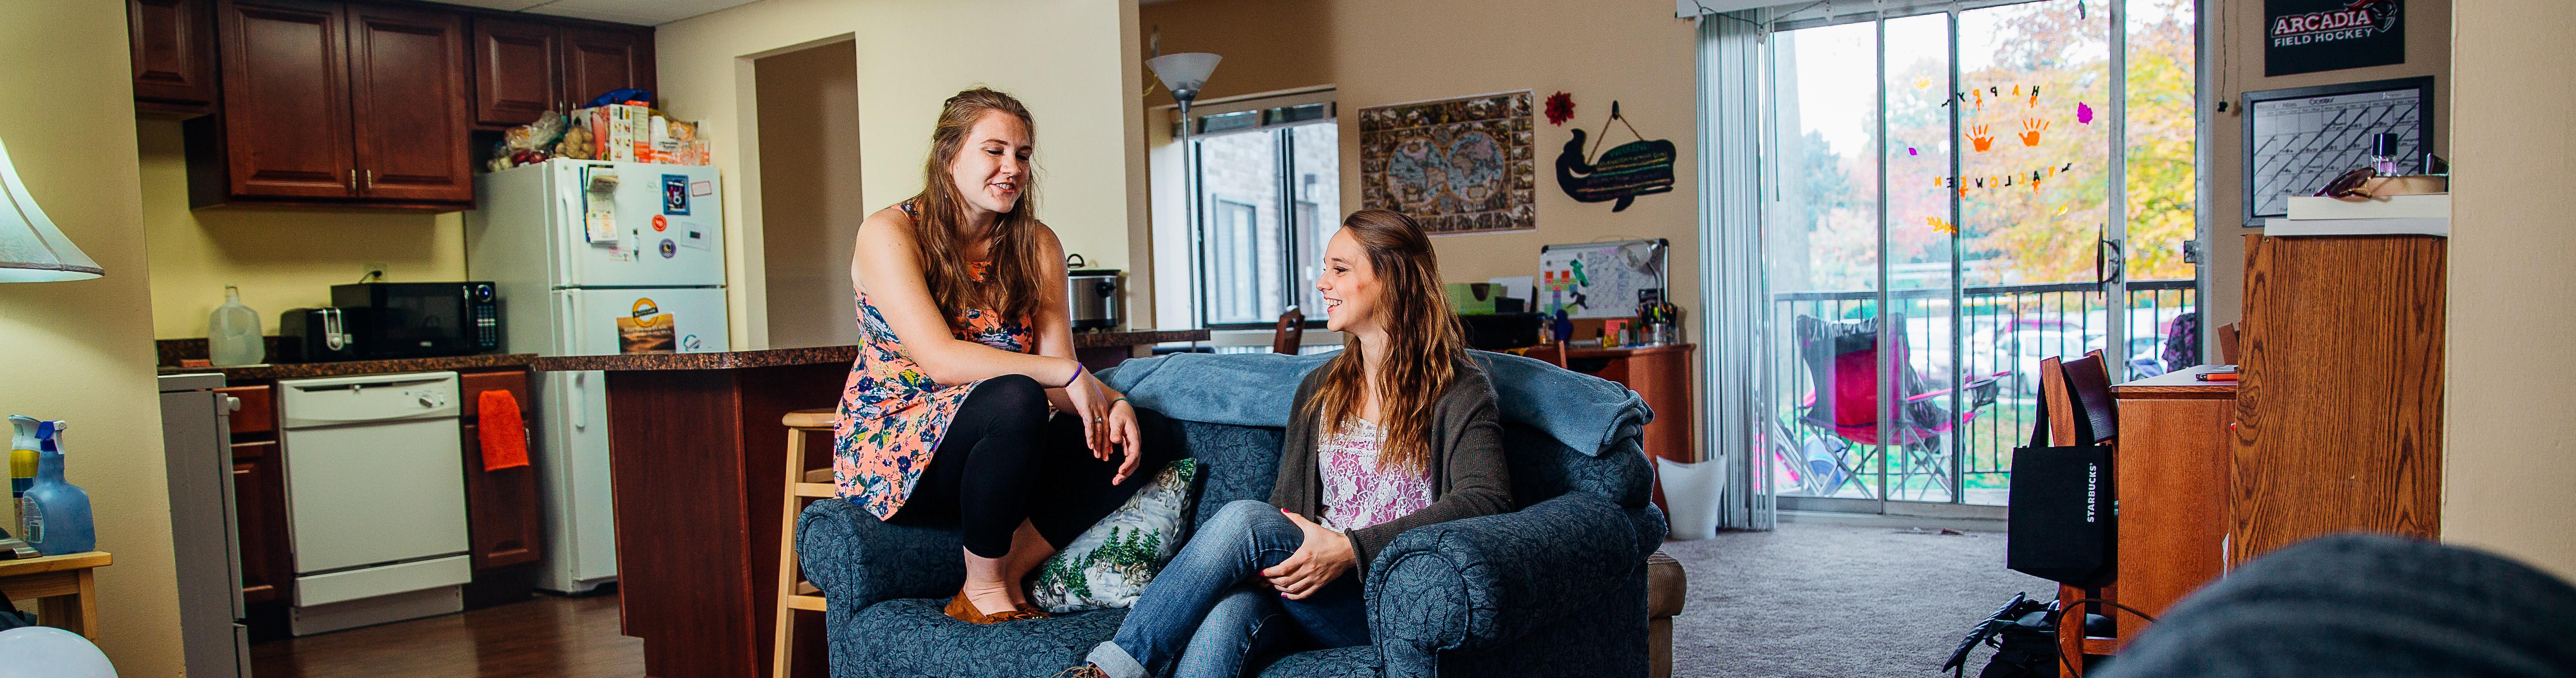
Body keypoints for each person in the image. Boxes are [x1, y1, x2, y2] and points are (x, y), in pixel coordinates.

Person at [1068, 209, 1514, 678]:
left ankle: (1106, 673)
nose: (1323, 282)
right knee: (1228, 613)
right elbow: (1286, 506)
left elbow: (1487, 498)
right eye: (1325, 268)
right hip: (1308, 592)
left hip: (1387, 603)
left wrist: (1349, 548)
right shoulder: (1321, 388)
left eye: (1340, 269)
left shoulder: (1460, 388)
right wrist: (1262, 569)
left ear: (1394, 279)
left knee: (1244, 518)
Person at [834, 87, 1178, 624]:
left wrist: (1112, 403)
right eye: (993, 151)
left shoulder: (1037, 244)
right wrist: (1066, 373)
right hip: (898, 447)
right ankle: (981, 586)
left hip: (1001, 449)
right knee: (1016, 395)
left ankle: (1011, 568)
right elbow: (942, 360)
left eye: (1021, 154)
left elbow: (1063, 377)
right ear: (949, 155)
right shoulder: (890, 233)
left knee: (1148, 430)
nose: (1011, 167)